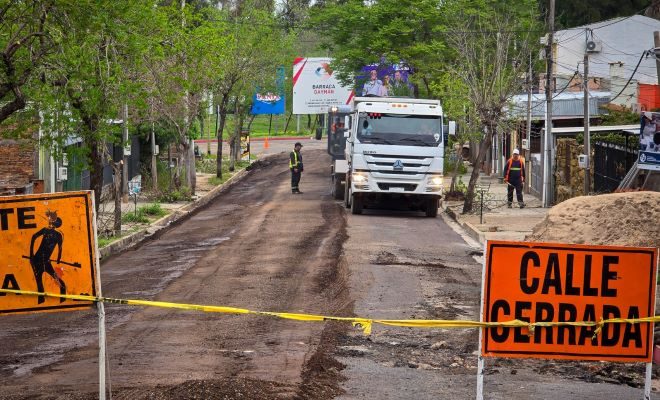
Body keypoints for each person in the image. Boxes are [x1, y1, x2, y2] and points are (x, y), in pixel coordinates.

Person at [29, 210, 66, 304]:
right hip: (37, 259)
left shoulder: (58, 235)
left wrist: (58, 259)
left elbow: (60, 248)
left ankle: (62, 298)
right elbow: (33, 236)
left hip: (43, 260)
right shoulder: (47, 231)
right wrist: (31, 256)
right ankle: (42, 301)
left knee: (42, 281)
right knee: (39, 281)